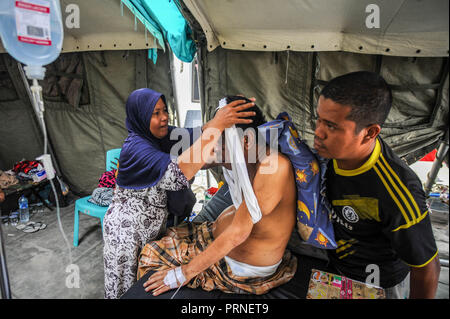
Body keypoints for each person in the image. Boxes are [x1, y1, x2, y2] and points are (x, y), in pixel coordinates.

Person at [103, 88, 256, 299]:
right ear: (140, 116)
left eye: (164, 110)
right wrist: (219, 124)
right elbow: (179, 174)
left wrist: (225, 125)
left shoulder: (161, 135)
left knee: (145, 277)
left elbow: (195, 134)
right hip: (127, 233)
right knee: (125, 288)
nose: (164, 117)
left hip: (152, 226)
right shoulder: (136, 148)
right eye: (155, 113)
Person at [138, 98, 298, 296]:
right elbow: (197, 163)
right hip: (217, 238)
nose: (214, 147)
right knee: (165, 235)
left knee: (151, 254)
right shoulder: (243, 155)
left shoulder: (273, 167)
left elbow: (238, 232)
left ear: (245, 140)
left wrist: (183, 273)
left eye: (220, 141)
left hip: (240, 266)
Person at [313, 71, 440, 298]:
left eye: (331, 126)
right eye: (318, 119)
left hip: (376, 285)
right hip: (333, 268)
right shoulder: (329, 154)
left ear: (369, 132)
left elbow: (426, 268)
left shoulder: (398, 192)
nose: (318, 132)